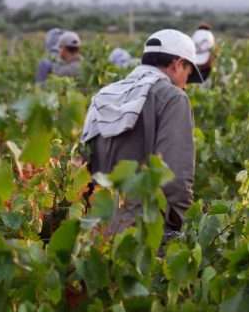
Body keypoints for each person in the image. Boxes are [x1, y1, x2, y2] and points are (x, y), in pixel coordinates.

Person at [80, 29, 201, 237]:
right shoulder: (172, 98)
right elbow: (175, 179)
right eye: (187, 74)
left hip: (95, 233)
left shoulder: (105, 95)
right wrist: (181, 227)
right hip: (142, 235)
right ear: (177, 64)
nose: (185, 84)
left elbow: (81, 167)